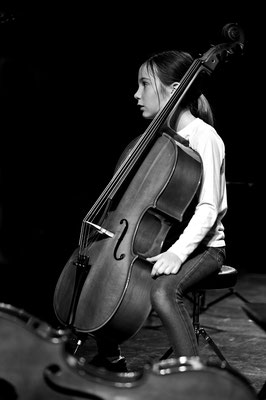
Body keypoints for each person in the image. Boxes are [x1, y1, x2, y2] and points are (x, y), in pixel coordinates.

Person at [88, 49, 227, 372]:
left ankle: (192, 377)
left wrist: (178, 253)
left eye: (145, 84)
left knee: (164, 291)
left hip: (204, 249)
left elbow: (208, 210)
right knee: (99, 278)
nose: (137, 94)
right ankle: (110, 356)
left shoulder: (204, 138)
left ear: (175, 88)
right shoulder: (156, 138)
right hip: (157, 241)